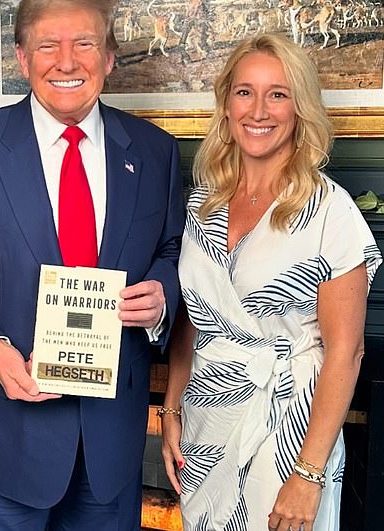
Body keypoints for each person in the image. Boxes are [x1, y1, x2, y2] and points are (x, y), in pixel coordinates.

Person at [0, 0, 185, 531]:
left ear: (110, 57)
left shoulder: (155, 151)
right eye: (47, 45)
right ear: (21, 57)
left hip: (111, 440)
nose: (67, 61)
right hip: (4, 434)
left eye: (85, 44)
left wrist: (162, 296)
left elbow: (170, 248)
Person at [160, 32, 382, 531]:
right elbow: (192, 323)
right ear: (226, 104)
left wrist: (308, 473)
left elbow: (345, 353)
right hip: (207, 421)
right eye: (245, 92)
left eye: (277, 94)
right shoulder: (202, 202)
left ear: (299, 108)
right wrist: (170, 408)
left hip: (292, 431)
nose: (258, 110)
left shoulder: (332, 212)